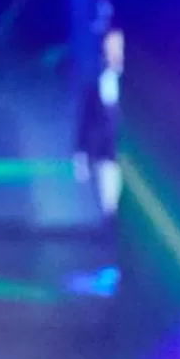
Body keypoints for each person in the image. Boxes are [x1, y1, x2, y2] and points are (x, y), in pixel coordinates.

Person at [75, 28, 125, 218]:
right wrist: (81, 154)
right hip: (106, 157)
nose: (114, 51)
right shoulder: (96, 82)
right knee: (109, 209)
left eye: (118, 46)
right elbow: (85, 119)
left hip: (134, 162)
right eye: (110, 46)